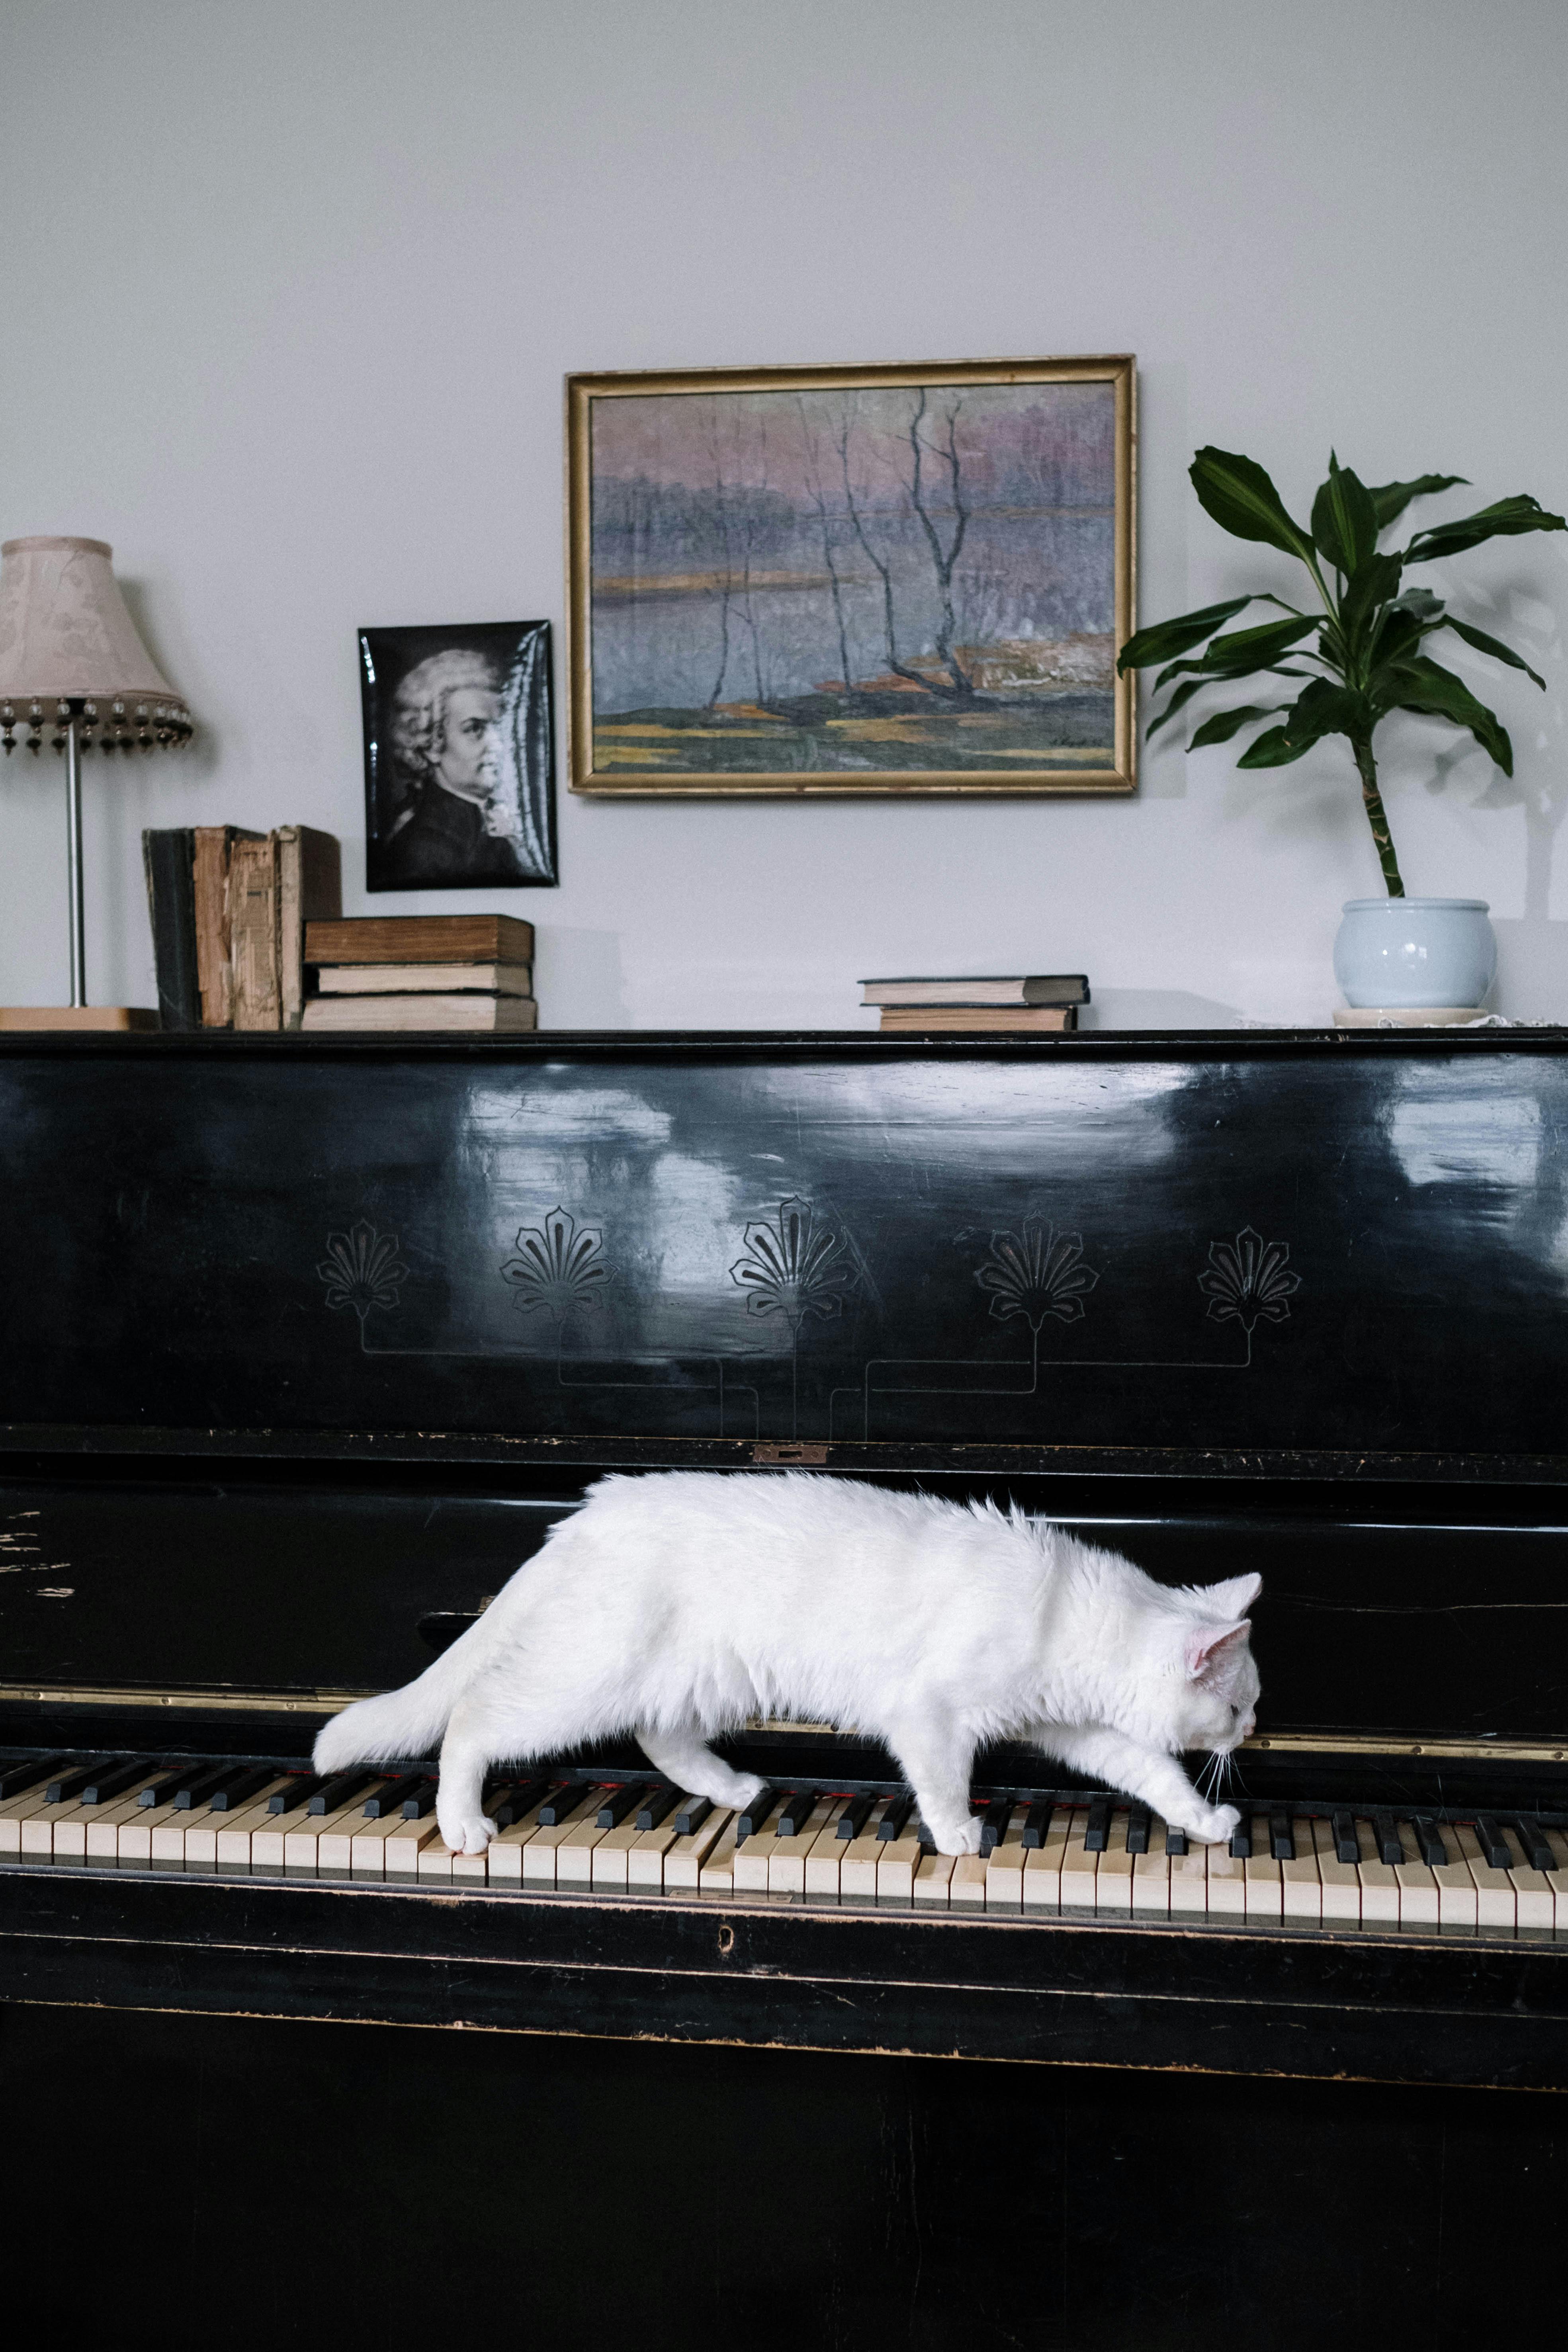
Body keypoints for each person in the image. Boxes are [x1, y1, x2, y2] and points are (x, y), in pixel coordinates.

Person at [375, 647, 531, 887]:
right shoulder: (424, 848)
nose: (498, 745)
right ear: (430, 744)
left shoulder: (488, 825)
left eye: (499, 727)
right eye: (474, 729)